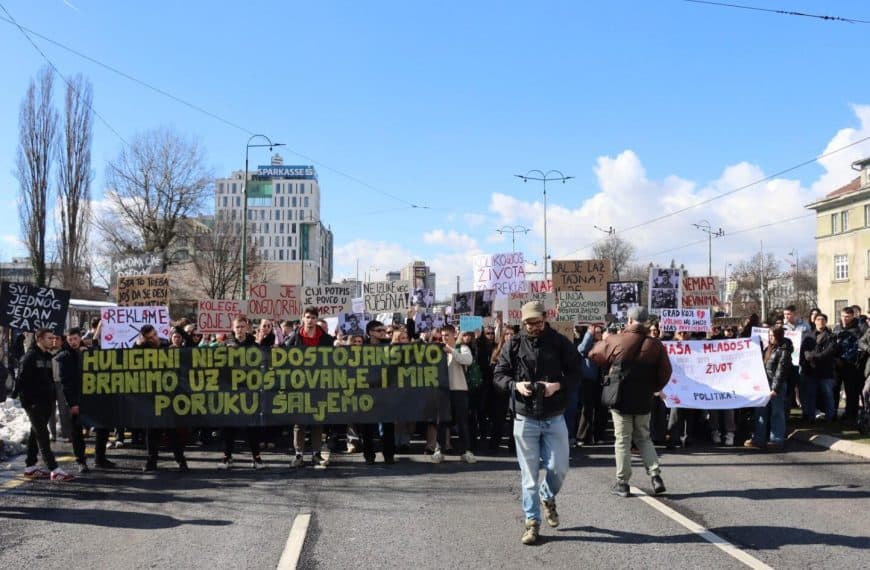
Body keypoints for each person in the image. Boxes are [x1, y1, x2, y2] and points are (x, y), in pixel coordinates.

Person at [494, 301, 581, 545]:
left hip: (554, 416)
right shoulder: (513, 343)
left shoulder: (560, 342)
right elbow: (499, 375)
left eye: (538, 322)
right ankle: (532, 523)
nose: (534, 327)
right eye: (529, 323)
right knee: (529, 476)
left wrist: (558, 385)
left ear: (545, 318)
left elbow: (577, 371)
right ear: (523, 322)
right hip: (524, 417)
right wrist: (515, 386)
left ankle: (547, 496)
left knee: (559, 468)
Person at [590, 306, 671, 499]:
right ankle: (655, 476)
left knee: (623, 440)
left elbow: (594, 354)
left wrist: (605, 340)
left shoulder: (616, 340)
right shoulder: (655, 345)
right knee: (644, 437)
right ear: (647, 322)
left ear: (629, 320)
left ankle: (623, 483)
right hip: (643, 398)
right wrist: (653, 388)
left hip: (620, 398)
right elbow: (666, 372)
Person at [16, 328, 73, 481]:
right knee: (43, 435)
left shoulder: (47, 356)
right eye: (49, 338)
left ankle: (30, 466)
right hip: (34, 403)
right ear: (39, 339)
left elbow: (48, 379)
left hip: (46, 402)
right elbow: (21, 381)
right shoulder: (30, 357)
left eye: (53, 337)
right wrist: (28, 403)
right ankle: (54, 469)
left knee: (35, 434)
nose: (52, 340)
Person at [285, 307, 333, 467]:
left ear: (316, 319)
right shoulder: (294, 337)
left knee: (317, 420)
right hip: (299, 385)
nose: (310, 320)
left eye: (313, 317)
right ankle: (298, 454)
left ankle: (316, 454)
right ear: (302, 319)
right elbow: (285, 358)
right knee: (299, 422)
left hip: (319, 384)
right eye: (307, 317)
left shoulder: (326, 339)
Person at [140, 324, 189, 472]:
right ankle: (151, 461)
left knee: (172, 431)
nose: (155, 338)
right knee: (152, 432)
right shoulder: (143, 349)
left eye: (155, 335)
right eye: (150, 337)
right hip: (152, 396)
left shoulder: (167, 345)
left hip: (168, 395)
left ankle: (181, 461)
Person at [219, 315, 265, 469]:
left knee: (252, 426)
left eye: (242, 326)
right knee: (229, 426)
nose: (240, 330)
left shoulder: (254, 345)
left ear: (248, 328)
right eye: (237, 327)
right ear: (233, 328)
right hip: (231, 391)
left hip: (249, 391)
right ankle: (227, 456)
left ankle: (256, 457)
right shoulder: (226, 345)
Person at [745, 327, 792, 450]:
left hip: (776, 386)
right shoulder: (768, 348)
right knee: (760, 412)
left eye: (773, 336)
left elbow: (780, 372)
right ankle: (758, 439)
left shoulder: (784, 350)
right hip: (764, 385)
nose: (771, 338)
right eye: (769, 335)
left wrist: (775, 389)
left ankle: (776, 439)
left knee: (777, 412)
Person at [576, 325, 607, 446]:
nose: (598, 334)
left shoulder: (605, 344)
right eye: (596, 332)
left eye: (599, 332)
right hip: (588, 380)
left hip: (603, 381)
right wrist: (589, 333)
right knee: (587, 408)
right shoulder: (586, 345)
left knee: (602, 409)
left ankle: (599, 436)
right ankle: (583, 437)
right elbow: (581, 349)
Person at [804, 313, 838, 422]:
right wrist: (809, 358)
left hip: (825, 370)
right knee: (810, 395)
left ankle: (830, 417)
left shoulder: (831, 336)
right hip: (811, 370)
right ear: (814, 321)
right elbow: (805, 350)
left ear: (826, 321)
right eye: (818, 319)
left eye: (823, 319)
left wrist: (814, 358)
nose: (820, 321)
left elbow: (829, 351)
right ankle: (810, 417)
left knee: (828, 394)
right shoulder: (808, 335)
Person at [833, 306, 864, 421]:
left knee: (851, 391)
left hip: (850, 365)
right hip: (836, 364)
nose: (844, 318)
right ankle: (833, 413)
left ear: (852, 316)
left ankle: (850, 414)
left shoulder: (857, 330)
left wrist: (844, 359)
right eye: (842, 316)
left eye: (847, 316)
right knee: (834, 389)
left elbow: (857, 348)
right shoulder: (836, 329)